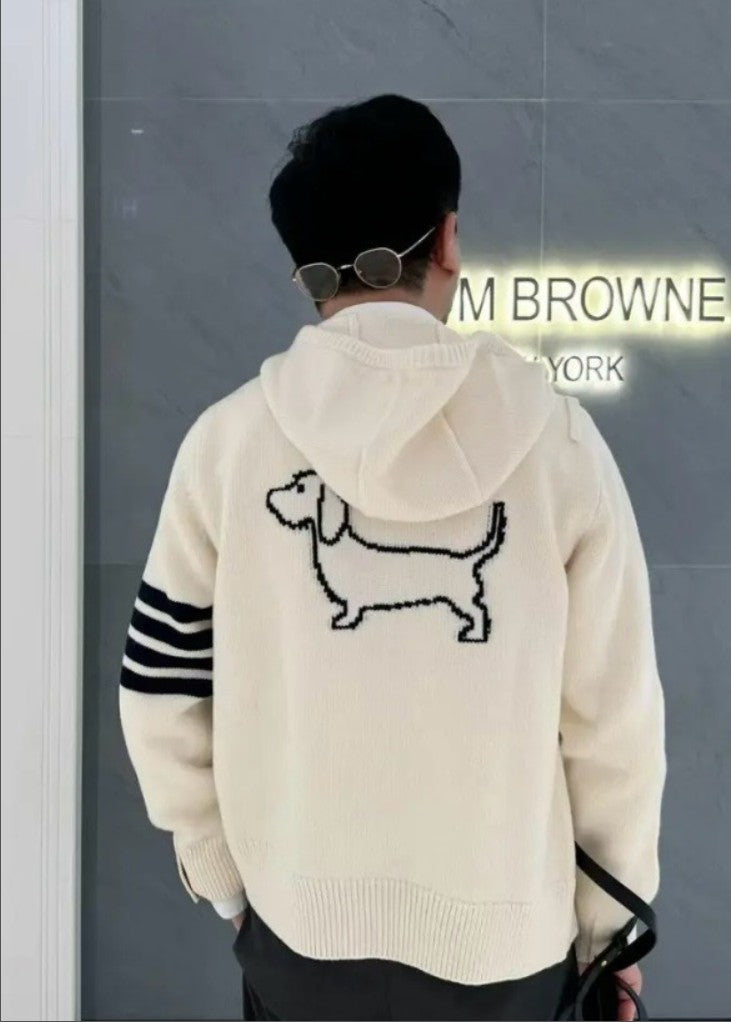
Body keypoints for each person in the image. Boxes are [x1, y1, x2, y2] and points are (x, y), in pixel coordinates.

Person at [118, 94, 667, 1021]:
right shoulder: (559, 445)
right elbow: (612, 722)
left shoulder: (227, 445)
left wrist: (224, 879)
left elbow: (161, 684)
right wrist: (608, 931)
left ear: (302, 266)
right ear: (446, 239)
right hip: (507, 952)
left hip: (296, 940)